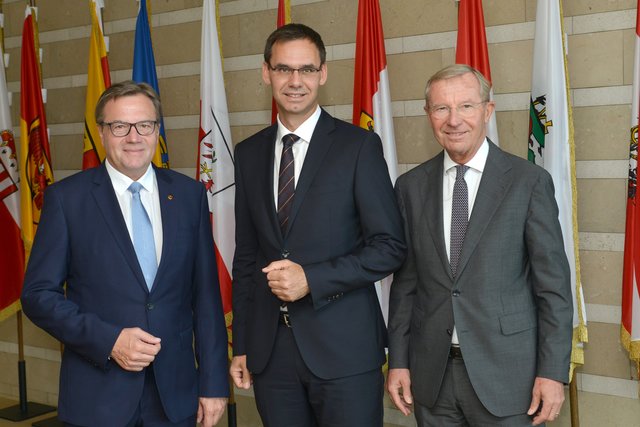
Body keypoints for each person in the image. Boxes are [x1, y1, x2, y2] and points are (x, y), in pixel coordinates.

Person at [21, 81, 229, 427]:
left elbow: (206, 297)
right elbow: (37, 295)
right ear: (102, 132)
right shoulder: (67, 200)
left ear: (156, 130)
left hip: (175, 397)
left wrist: (213, 384)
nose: (134, 137)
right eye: (119, 126)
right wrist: (108, 340)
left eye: (144, 125)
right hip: (97, 397)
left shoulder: (190, 196)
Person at [229, 23, 406, 426]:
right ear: (266, 72)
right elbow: (247, 256)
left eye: (306, 70)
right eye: (284, 69)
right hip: (270, 355)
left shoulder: (358, 146)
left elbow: (389, 247)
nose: (295, 81)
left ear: (323, 74)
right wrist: (241, 343)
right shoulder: (249, 153)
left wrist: (313, 279)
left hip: (344, 350)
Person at [386, 64, 573, 426]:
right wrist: (399, 361)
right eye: (441, 108)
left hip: (508, 377)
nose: (454, 120)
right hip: (432, 378)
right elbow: (405, 285)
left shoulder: (528, 182)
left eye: (467, 106)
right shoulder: (409, 187)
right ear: (428, 115)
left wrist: (552, 372)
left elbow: (553, 288)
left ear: (488, 110)